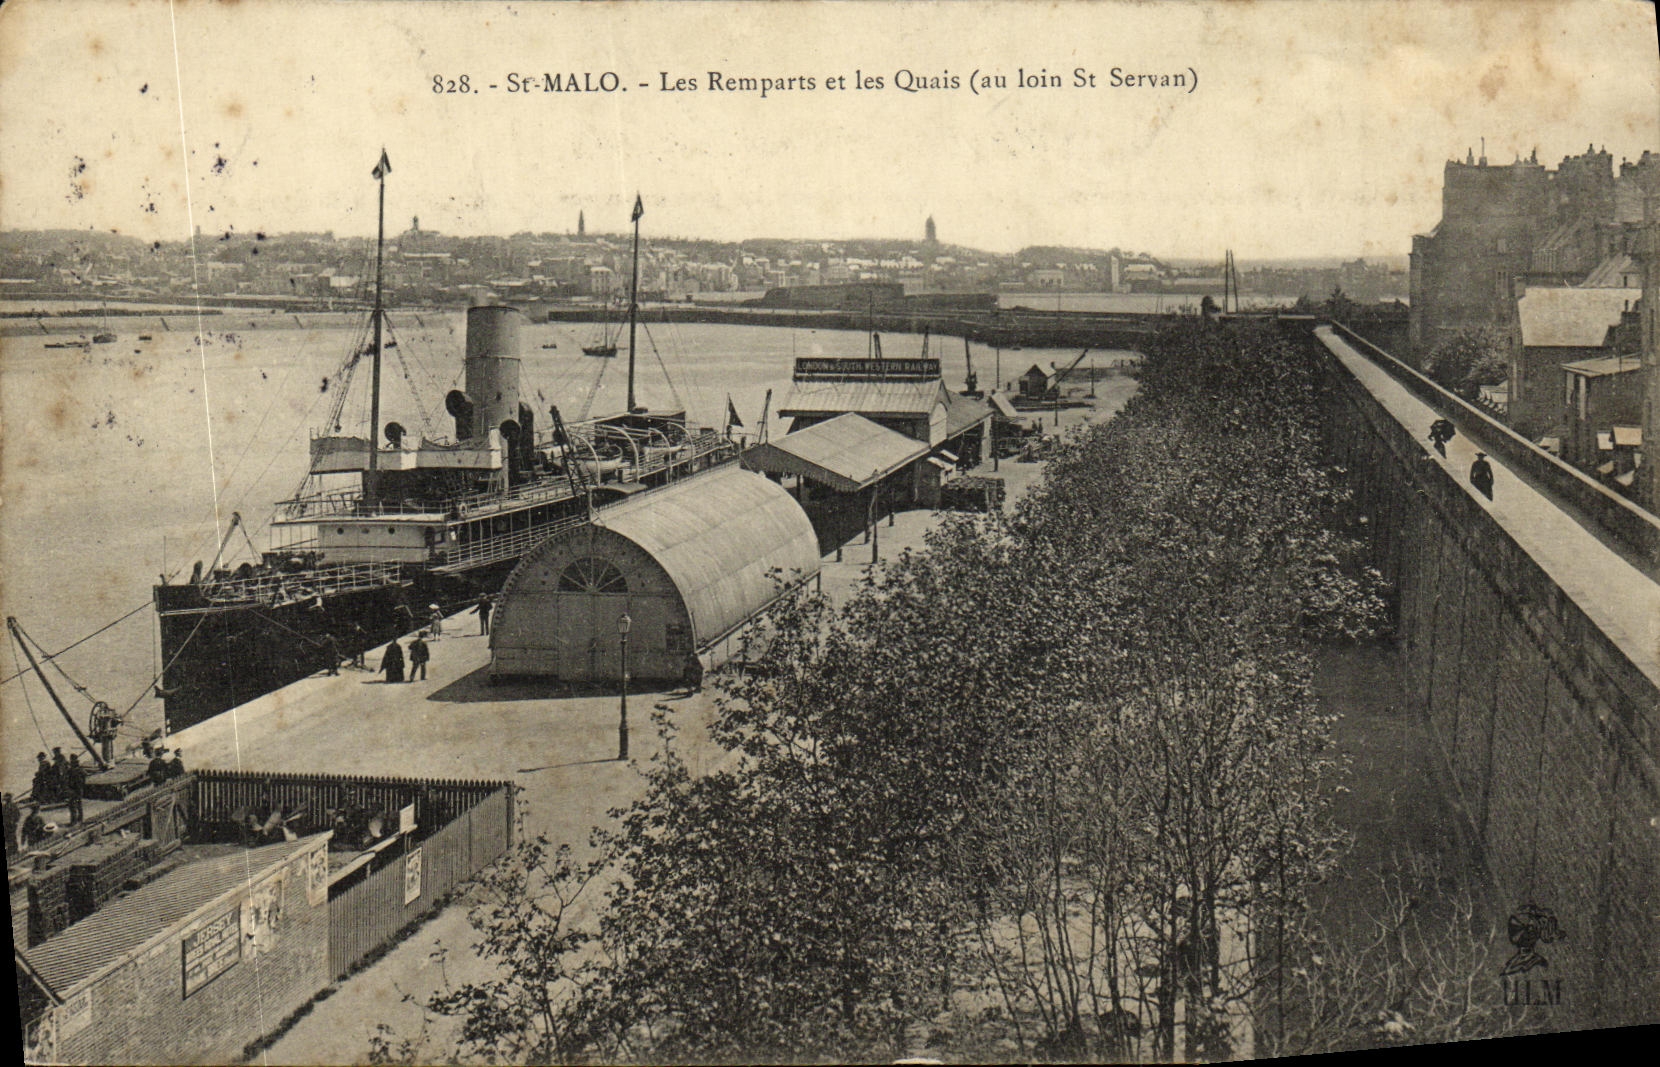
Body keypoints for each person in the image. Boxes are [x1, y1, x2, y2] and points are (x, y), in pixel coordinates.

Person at [64, 755, 86, 826]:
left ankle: (74, 821)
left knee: (72, 805)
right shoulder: (80, 770)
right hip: (79, 790)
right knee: (78, 805)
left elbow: (68, 779)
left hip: (74, 790)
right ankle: (80, 819)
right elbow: (84, 779)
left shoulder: (72, 771)